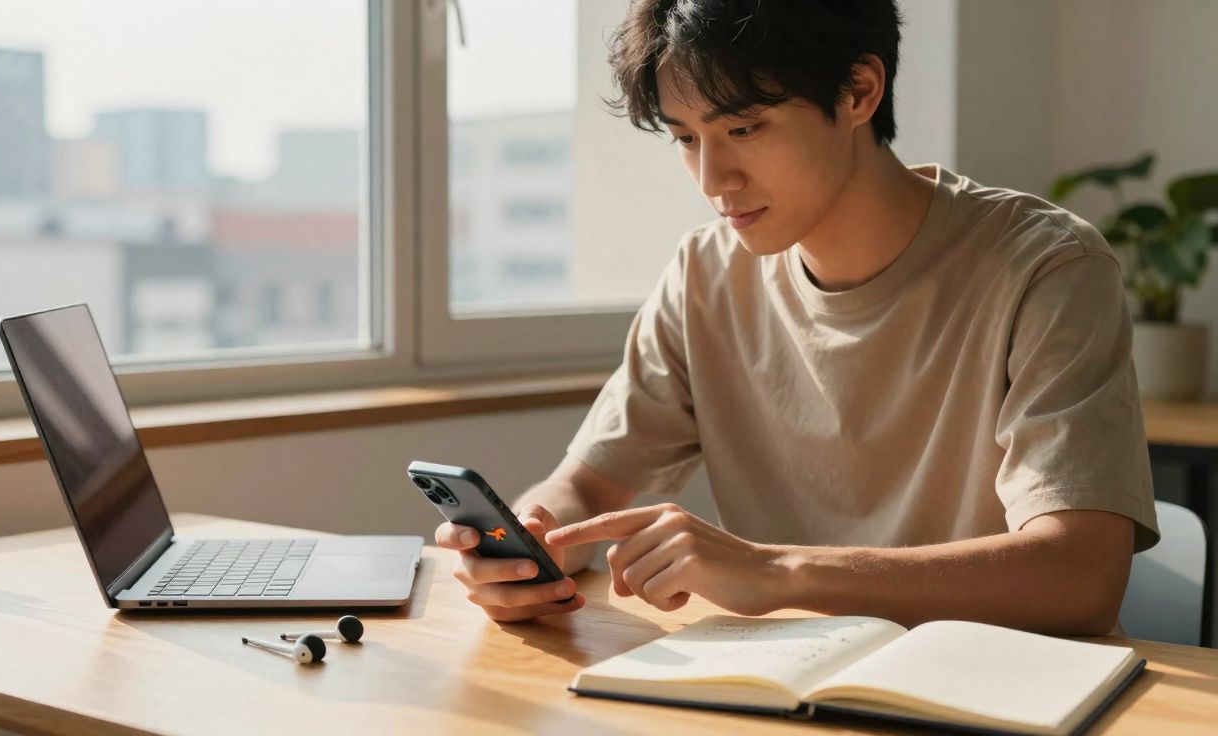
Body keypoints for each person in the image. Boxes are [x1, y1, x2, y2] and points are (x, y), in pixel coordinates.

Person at [435, 0, 1158, 635]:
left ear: (858, 91)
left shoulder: (1046, 267)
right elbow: (586, 488)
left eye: (744, 129)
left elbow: (1081, 576)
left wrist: (777, 570)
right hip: (788, 691)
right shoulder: (704, 276)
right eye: (686, 138)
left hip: (1003, 694)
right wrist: (531, 542)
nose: (714, 180)